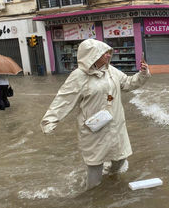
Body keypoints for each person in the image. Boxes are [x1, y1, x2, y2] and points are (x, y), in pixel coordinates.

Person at [40, 39, 151, 190]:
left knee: (120, 158)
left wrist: (142, 74)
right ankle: (92, 196)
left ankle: (111, 181)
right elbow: (64, 99)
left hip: (116, 125)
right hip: (94, 129)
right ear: (92, 55)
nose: (108, 55)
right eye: (104, 53)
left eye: (108, 52)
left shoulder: (111, 71)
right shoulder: (79, 76)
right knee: (95, 166)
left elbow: (128, 83)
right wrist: (50, 120)